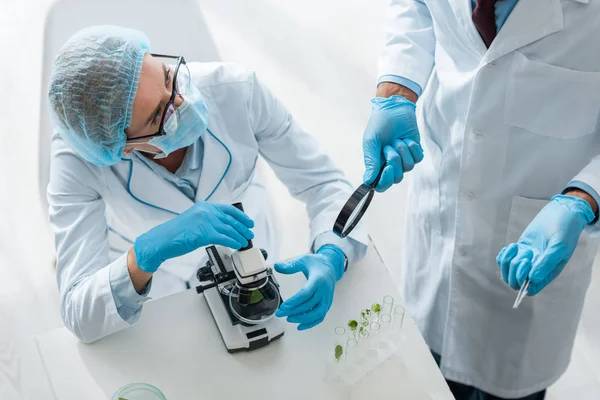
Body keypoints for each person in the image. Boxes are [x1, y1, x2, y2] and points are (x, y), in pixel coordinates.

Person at [47, 26, 366, 344]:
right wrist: (144, 256)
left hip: (254, 253)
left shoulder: (236, 90)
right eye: (161, 114)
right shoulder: (79, 159)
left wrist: (332, 252)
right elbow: (80, 314)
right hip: (162, 294)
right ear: (123, 147)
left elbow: (324, 184)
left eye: (168, 76)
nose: (183, 101)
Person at [362, 1, 600, 399]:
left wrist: (582, 198)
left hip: (532, 262)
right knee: (423, 376)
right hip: (439, 222)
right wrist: (397, 90)